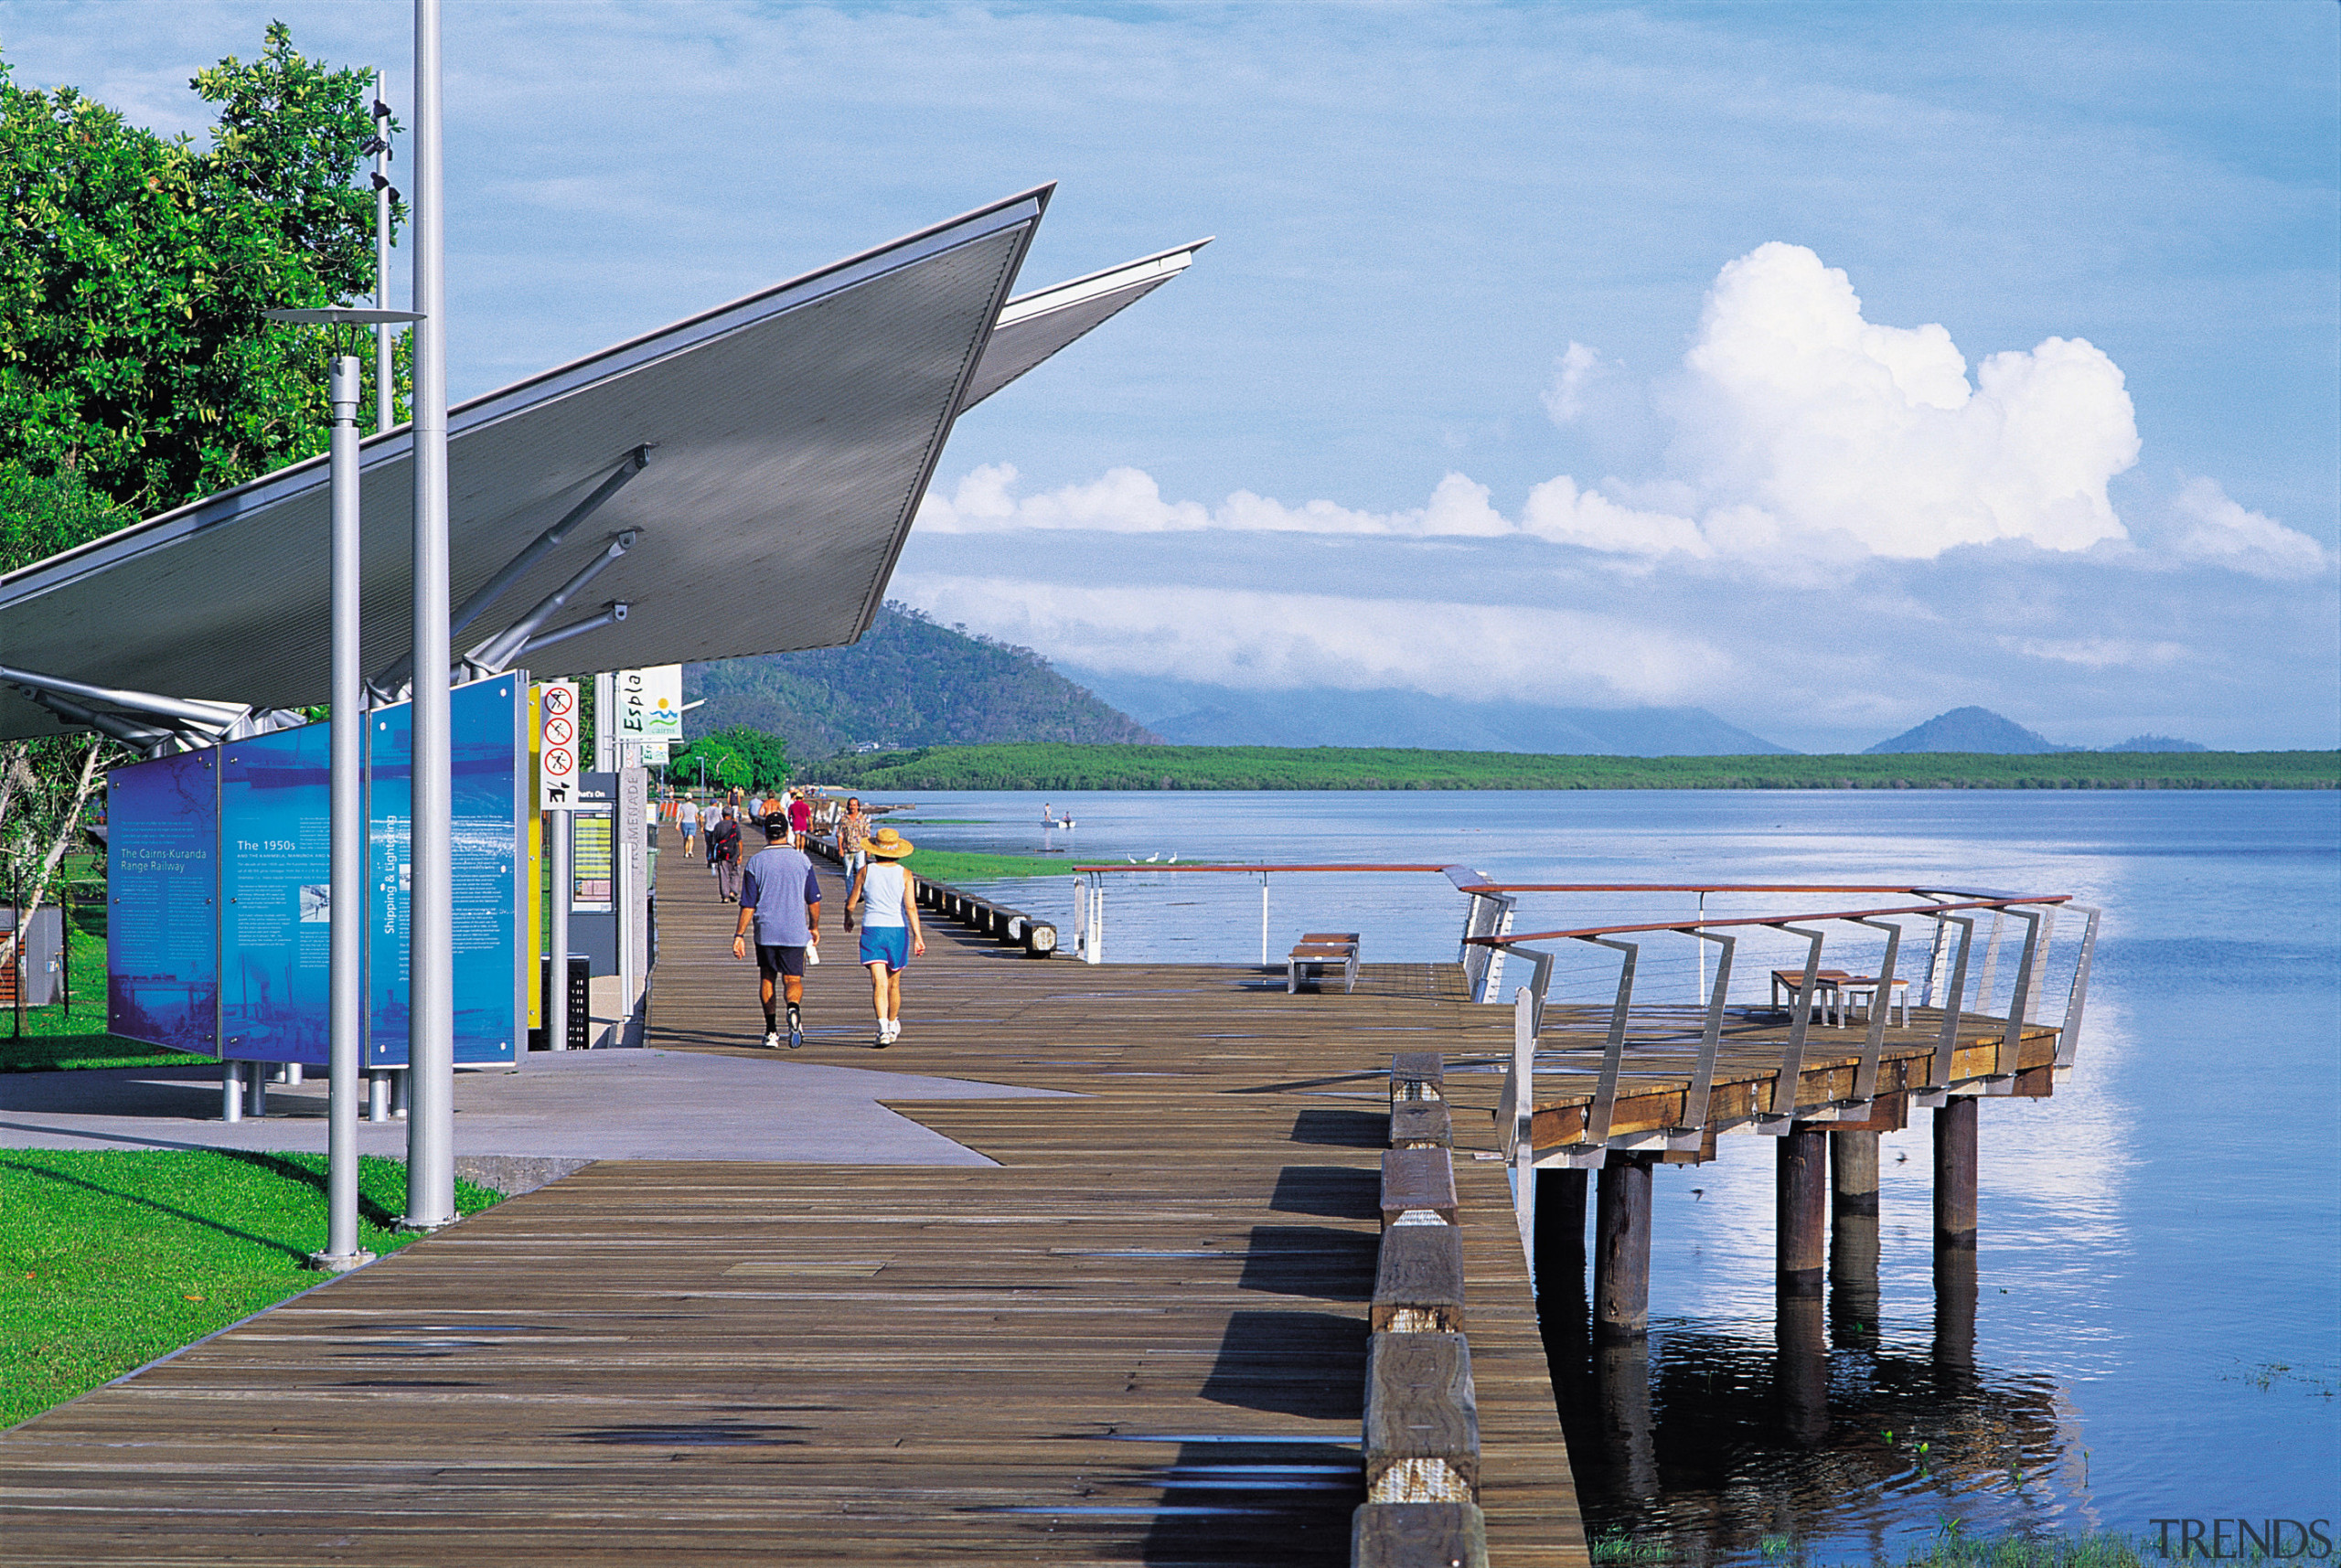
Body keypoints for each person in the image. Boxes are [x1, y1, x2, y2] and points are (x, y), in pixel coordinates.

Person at [732, 828, 822, 1049]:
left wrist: (739, 935)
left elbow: (748, 904)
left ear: (766, 834)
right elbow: (813, 900)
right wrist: (814, 926)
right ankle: (793, 1007)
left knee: (768, 978)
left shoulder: (756, 862)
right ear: (786, 833)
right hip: (794, 930)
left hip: (766, 931)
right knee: (793, 980)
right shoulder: (802, 860)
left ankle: (771, 1032)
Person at [846, 826, 925, 1047]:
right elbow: (910, 908)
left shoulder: (865, 871)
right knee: (894, 984)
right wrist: (918, 937)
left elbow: (851, 902)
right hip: (897, 931)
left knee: (878, 982)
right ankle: (891, 1024)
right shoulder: (905, 874)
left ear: (874, 850)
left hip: (873, 929)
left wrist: (848, 917)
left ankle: (882, 1029)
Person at [837, 797, 870, 915]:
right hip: (847, 849)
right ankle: (850, 894)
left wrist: (868, 850)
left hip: (860, 849)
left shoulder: (863, 819)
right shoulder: (844, 819)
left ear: (858, 806)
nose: (852, 807)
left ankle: (859, 894)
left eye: (854, 805)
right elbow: (840, 834)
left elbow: (867, 834)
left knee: (861, 871)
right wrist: (840, 848)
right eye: (850, 805)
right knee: (848, 873)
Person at [709, 807, 743, 902]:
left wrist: (712, 856)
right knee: (735, 873)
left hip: (722, 853)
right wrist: (740, 854)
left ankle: (725, 896)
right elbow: (739, 841)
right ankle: (733, 892)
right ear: (731, 815)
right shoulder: (735, 825)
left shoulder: (718, 826)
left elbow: (713, 842)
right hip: (734, 853)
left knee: (723, 874)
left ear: (722, 815)